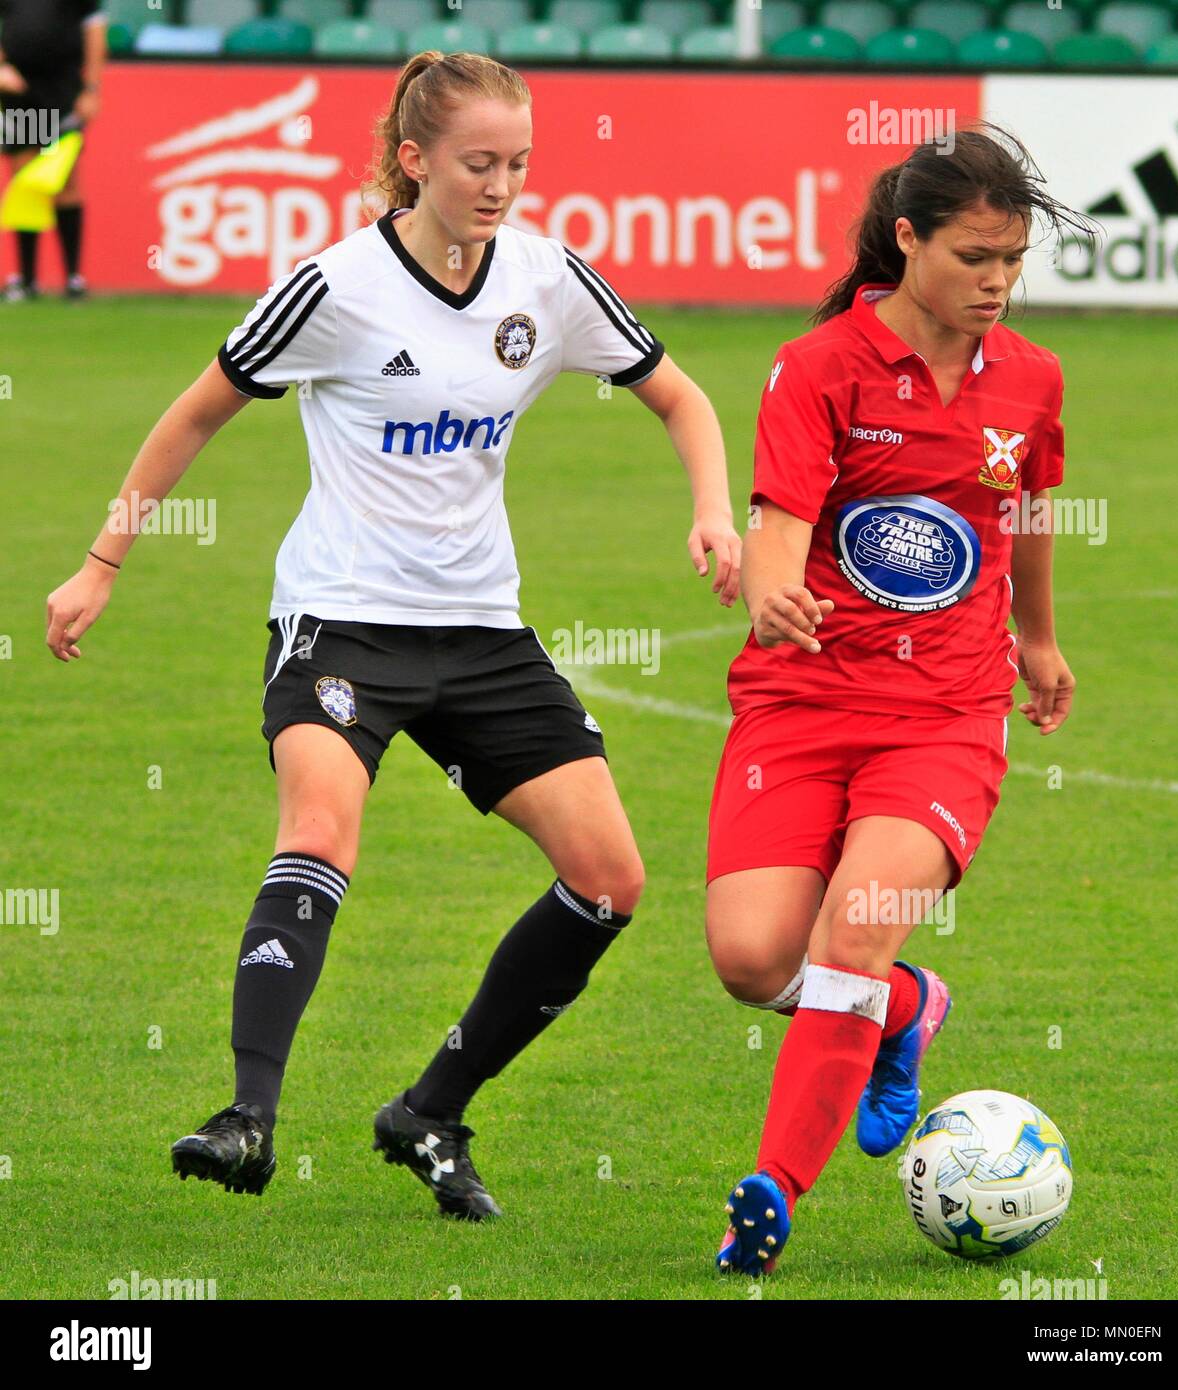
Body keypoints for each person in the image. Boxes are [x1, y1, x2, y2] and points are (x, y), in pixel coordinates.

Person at [45, 51, 741, 1219]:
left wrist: (714, 509)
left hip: (481, 631)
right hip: (341, 623)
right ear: (412, 160)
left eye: (518, 161)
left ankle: (430, 1111)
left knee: (611, 880)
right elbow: (196, 409)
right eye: (478, 162)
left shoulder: (546, 277)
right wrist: (104, 557)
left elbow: (682, 394)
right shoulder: (334, 287)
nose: (502, 183)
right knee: (322, 828)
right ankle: (247, 1114)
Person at [705, 127, 1089, 1274]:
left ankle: (768, 1193)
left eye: (1014, 260)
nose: (997, 282)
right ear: (908, 238)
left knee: (850, 931)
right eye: (976, 255)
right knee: (753, 959)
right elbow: (778, 528)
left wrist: (1038, 637)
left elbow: (1022, 509)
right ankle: (904, 1006)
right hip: (801, 702)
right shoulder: (818, 365)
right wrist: (774, 596)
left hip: (945, 715)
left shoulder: (1030, 376)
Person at [0, 0, 104, 300]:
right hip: (19, 93)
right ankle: (27, 279)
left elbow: (95, 32)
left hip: (63, 91)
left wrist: (92, 88)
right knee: (24, 181)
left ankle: (73, 278)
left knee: (66, 181)